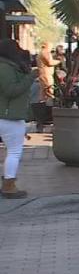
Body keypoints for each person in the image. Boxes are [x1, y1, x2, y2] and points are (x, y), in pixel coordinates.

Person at [0, 39, 36, 199]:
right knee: (14, 152)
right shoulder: (5, 68)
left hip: (9, 115)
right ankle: (9, 185)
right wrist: (29, 78)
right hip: (9, 116)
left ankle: (8, 183)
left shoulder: (7, 67)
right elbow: (11, 90)